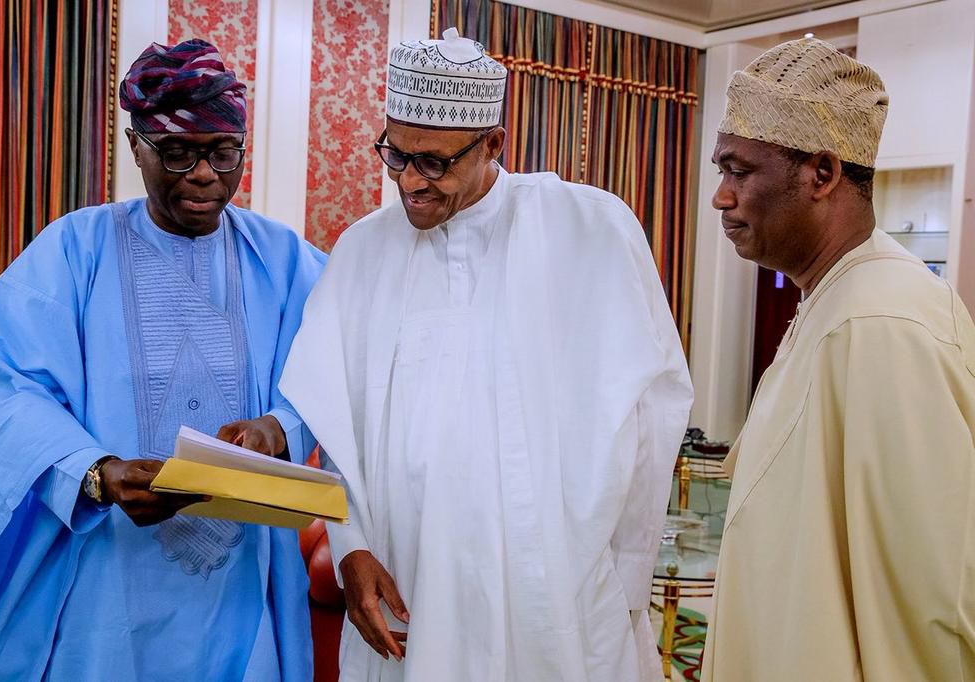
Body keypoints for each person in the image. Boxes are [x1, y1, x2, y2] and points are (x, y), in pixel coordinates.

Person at [280, 28, 693, 682]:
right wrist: (351, 544)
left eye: (435, 162)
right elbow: (337, 423)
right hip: (406, 585)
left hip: (549, 598)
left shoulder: (588, 230)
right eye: (396, 155)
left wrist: (623, 579)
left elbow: (653, 414)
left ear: (493, 145)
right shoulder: (363, 250)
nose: (409, 183)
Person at [0, 39, 325, 680]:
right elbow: (6, 391)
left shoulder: (287, 261)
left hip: (240, 581)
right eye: (177, 153)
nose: (204, 174)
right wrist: (96, 472)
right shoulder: (73, 250)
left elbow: (342, 375)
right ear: (137, 148)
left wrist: (281, 427)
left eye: (222, 152)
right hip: (105, 574)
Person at [701, 38, 975, 681]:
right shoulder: (838, 300)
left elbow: (936, 599)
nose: (720, 197)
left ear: (821, 174)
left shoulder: (881, 323)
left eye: (739, 171)